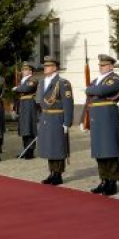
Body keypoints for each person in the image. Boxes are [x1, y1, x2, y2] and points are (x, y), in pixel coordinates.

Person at [83, 54, 119, 196]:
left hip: (108, 117)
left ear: (111, 66)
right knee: (99, 150)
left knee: (110, 149)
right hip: (96, 117)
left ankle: (112, 181)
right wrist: (84, 119)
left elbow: (101, 91)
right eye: (100, 65)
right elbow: (88, 101)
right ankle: (104, 179)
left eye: (104, 65)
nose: (101, 67)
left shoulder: (115, 79)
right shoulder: (96, 80)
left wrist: (89, 89)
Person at [35, 56, 73, 185]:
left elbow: (68, 104)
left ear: (54, 68)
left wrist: (67, 122)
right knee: (49, 146)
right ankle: (52, 172)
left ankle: (58, 174)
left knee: (57, 146)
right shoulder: (42, 82)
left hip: (57, 117)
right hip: (46, 117)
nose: (45, 68)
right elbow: (39, 101)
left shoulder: (62, 83)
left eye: (48, 66)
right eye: (45, 66)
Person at [13, 62, 39, 159]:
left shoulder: (33, 79)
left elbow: (26, 88)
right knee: (24, 128)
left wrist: (17, 88)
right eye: (23, 70)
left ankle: (30, 151)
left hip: (29, 103)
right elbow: (19, 92)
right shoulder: (22, 81)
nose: (23, 71)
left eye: (25, 70)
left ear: (30, 71)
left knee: (29, 127)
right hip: (23, 104)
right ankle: (25, 149)